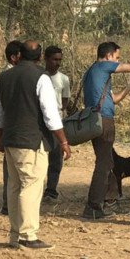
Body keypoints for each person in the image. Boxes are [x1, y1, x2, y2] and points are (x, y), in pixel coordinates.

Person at [0, 40, 72, 250]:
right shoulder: (41, 77)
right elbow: (50, 114)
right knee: (31, 186)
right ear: (39, 57)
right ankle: (28, 235)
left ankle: (15, 235)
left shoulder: (3, 77)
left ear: (19, 55)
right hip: (31, 142)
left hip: (10, 140)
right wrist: (63, 140)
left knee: (15, 186)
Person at [81, 41, 130, 219]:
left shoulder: (93, 72)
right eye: (116, 57)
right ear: (109, 56)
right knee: (103, 164)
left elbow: (114, 99)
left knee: (108, 161)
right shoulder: (103, 66)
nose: (117, 61)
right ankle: (93, 206)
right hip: (103, 121)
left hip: (96, 120)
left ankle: (110, 200)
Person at [42, 45, 71, 202]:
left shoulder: (63, 79)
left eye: (60, 60)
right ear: (46, 59)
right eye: (54, 59)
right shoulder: (39, 77)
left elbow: (65, 101)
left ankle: (51, 190)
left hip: (57, 121)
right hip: (40, 123)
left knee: (56, 157)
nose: (57, 63)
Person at [0, 40, 22, 216]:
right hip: (19, 130)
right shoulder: (12, 77)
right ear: (14, 58)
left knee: (12, 170)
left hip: (9, 130)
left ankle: (9, 205)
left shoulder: (3, 77)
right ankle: (13, 206)